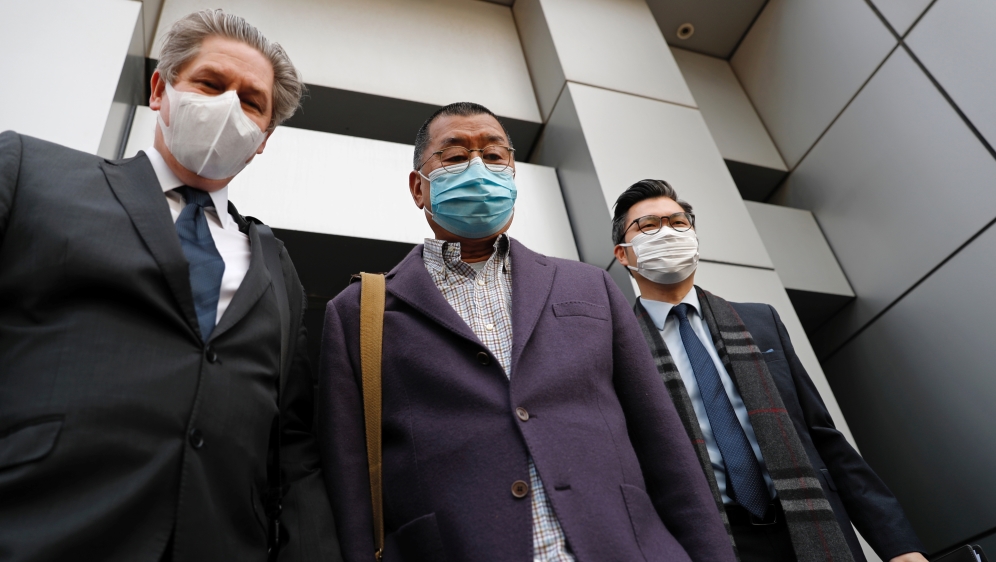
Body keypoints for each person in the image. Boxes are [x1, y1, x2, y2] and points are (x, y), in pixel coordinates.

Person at [317, 102, 736, 562]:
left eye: (495, 156)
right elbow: (350, 485)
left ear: (513, 175)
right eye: (455, 157)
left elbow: (664, 446)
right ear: (419, 188)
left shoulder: (590, 285)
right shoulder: (358, 314)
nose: (479, 169)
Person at [0, 10, 340, 562]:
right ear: (160, 90)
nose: (228, 106)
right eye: (210, 83)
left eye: (251, 101)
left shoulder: (278, 269)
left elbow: (292, 441)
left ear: (263, 139)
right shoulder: (29, 173)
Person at [611, 179, 928, 562]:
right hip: (711, 540)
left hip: (810, 521)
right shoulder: (618, 349)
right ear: (623, 254)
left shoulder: (760, 321)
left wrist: (899, 547)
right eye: (648, 226)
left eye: (679, 222)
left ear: (693, 238)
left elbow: (823, 438)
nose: (668, 233)